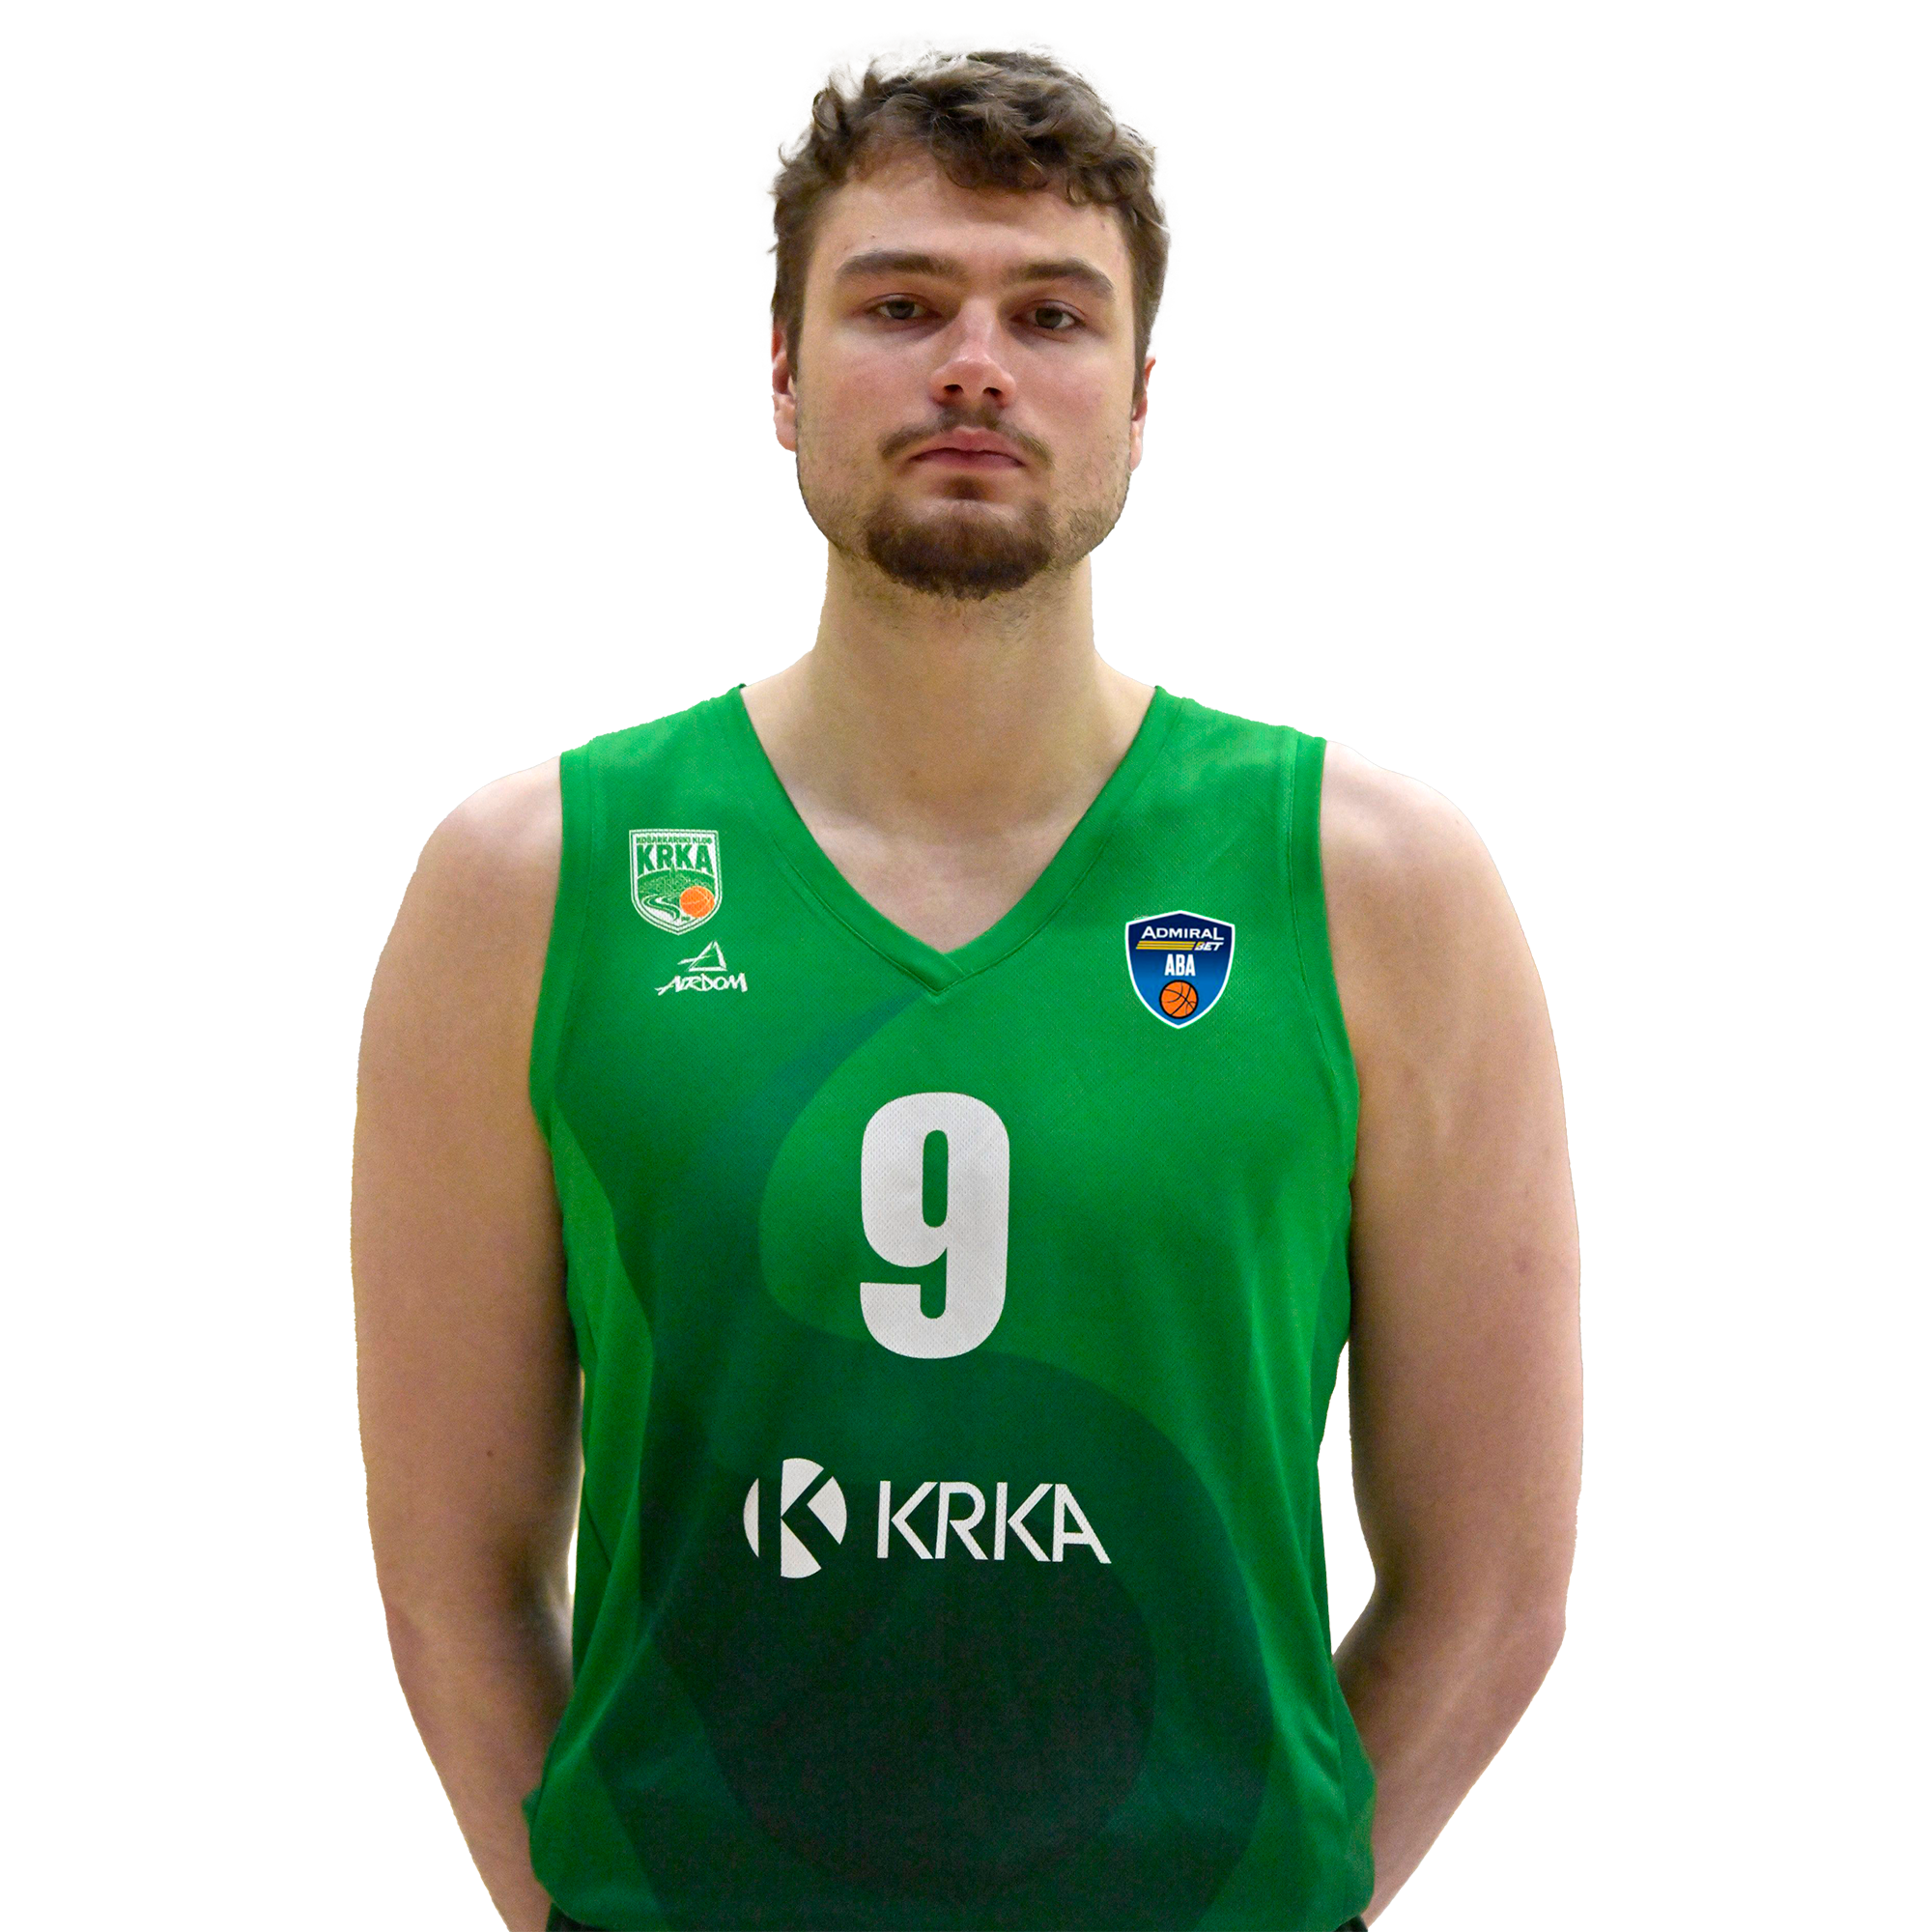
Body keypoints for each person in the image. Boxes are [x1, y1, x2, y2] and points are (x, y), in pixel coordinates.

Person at [353, 40, 1581, 1932]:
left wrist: (1276, 1900)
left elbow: (1498, 1583)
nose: (976, 364)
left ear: (1143, 397)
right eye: (901, 303)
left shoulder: (1380, 886)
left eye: (1053, 314)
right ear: (780, 369)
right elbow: (450, 1575)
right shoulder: (531, 882)